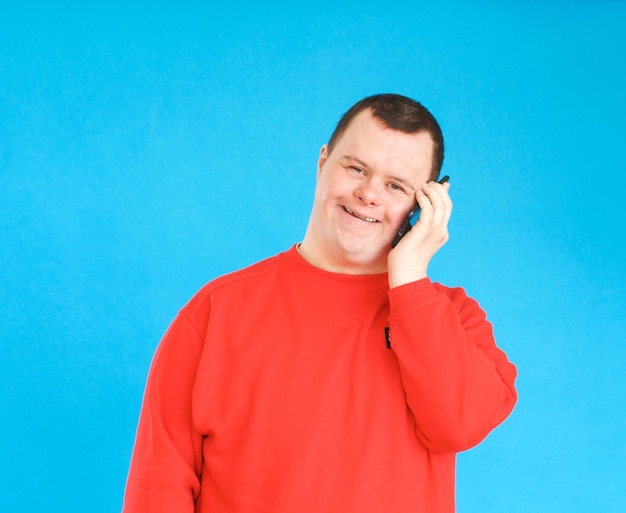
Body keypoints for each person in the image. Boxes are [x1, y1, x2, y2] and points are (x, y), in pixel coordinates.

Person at [122, 93, 517, 513]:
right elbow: (157, 490)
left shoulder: (452, 318)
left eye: (396, 186)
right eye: (356, 168)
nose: (368, 194)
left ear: (426, 206)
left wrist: (411, 282)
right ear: (322, 161)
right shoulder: (215, 312)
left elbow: (459, 426)